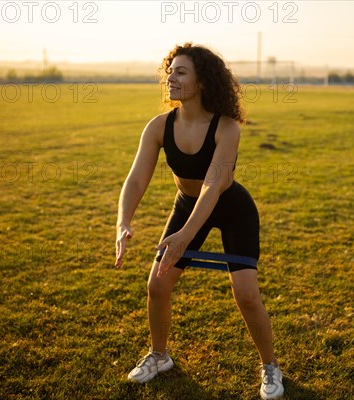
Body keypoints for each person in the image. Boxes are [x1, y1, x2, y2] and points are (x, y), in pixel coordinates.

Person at [114, 42, 284, 399]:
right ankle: (160, 356)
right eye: (169, 70)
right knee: (157, 285)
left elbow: (213, 186)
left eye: (180, 72)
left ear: (203, 81)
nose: (170, 78)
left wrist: (183, 237)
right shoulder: (159, 126)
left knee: (247, 295)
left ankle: (270, 366)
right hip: (186, 205)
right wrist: (123, 222)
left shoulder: (227, 128)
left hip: (231, 209)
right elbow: (136, 178)